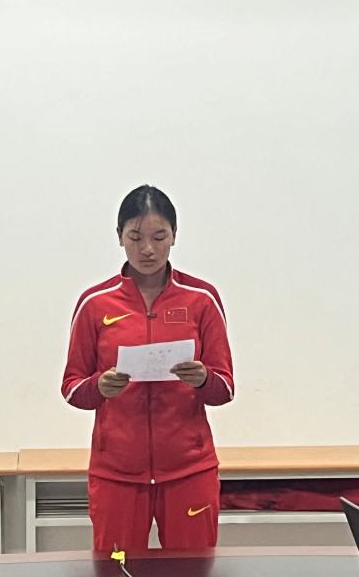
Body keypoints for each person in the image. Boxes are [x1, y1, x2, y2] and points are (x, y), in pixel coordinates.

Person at [62, 185, 234, 551]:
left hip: (189, 471)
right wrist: (99, 386)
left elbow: (225, 388)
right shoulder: (95, 303)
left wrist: (203, 379)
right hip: (116, 474)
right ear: (119, 236)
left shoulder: (202, 299)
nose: (148, 249)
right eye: (135, 237)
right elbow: (72, 388)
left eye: (159, 237)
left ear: (174, 235)